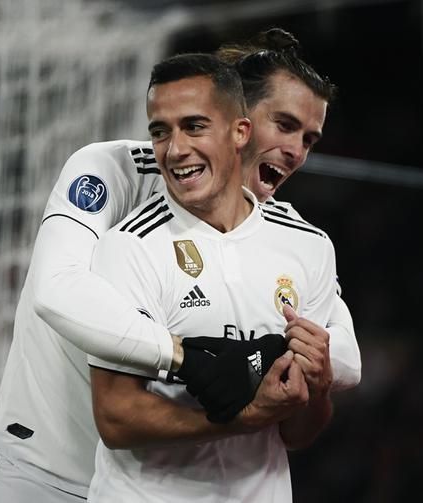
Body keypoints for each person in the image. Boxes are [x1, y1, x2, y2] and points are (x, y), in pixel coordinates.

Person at [0, 28, 360, 502]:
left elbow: (344, 354)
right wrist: (189, 359)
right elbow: (56, 288)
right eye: (283, 125)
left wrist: (283, 365)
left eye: (309, 138)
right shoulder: (112, 173)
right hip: (43, 464)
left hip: (139, 473)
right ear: (235, 115)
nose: (297, 151)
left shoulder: (291, 234)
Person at [87, 52, 337, 502]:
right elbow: (115, 417)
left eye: (194, 126)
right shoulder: (129, 246)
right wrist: (241, 417)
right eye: (160, 131)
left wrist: (317, 388)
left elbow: (298, 434)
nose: (175, 149)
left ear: (239, 132)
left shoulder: (309, 247)